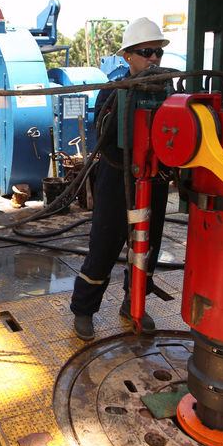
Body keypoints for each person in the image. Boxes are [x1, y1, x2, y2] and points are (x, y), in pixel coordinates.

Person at [70, 17, 171, 340]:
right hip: (117, 177)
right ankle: (84, 311)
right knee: (104, 246)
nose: (154, 58)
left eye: (158, 52)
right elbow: (103, 134)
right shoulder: (112, 92)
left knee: (148, 245)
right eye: (146, 52)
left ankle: (134, 301)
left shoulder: (170, 90)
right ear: (128, 56)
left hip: (154, 178)